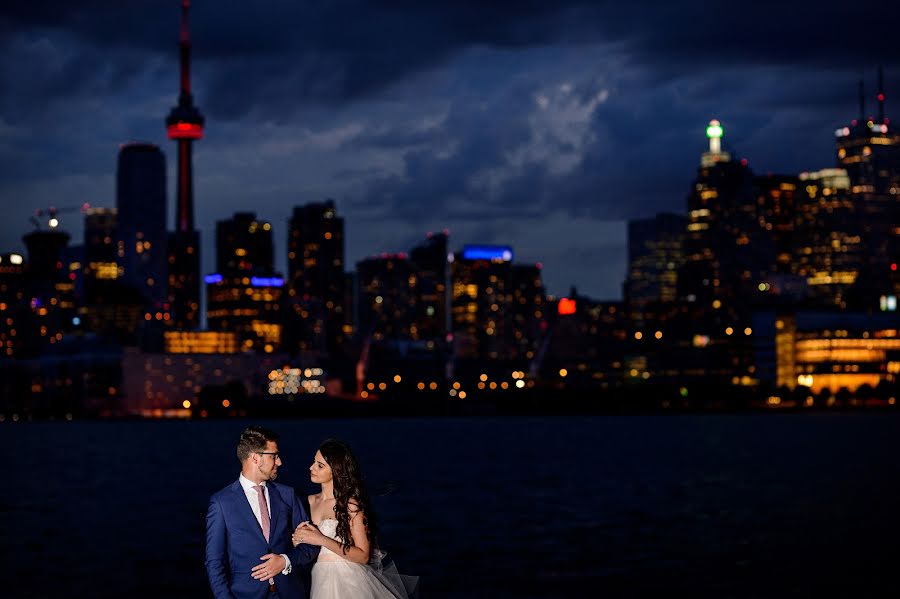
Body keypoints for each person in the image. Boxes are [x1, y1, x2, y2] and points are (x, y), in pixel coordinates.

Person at [292, 439, 418, 599]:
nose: (312, 467)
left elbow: (363, 555)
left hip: (348, 580)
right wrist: (298, 541)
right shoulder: (308, 502)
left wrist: (321, 539)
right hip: (318, 578)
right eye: (313, 462)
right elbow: (307, 547)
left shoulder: (350, 505)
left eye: (320, 465)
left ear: (335, 471)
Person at [206, 426, 319, 598]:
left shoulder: (288, 495)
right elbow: (214, 562)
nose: (279, 462)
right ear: (255, 458)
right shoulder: (221, 502)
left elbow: (311, 545)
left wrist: (285, 561)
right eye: (274, 456)